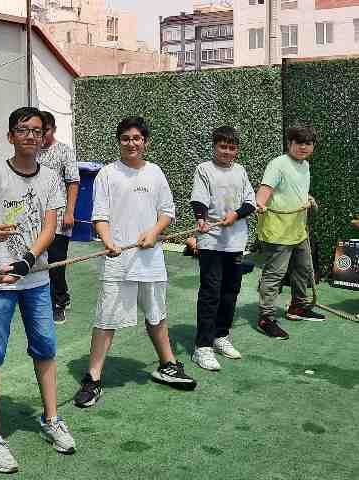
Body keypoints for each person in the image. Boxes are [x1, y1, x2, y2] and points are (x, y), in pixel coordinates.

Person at [0, 107, 75, 473]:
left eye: (37, 130)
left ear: (45, 137)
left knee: (45, 349)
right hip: (0, 283)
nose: (30, 136)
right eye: (23, 130)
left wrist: (27, 262)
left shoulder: (50, 178)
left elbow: (49, 228)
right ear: (10, 135)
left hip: (36, 281)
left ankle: (51, 418)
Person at [73, 116, 196, 409]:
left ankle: (168, 364)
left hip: (150, 260)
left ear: (145, 142)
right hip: (117, 261)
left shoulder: (155, 173)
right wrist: (108, 241)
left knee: (157, 314)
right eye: (126, 138)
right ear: (119, 141)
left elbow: (167, 211)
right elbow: (99, 216)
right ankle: (93, 378)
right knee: (106, 320)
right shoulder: (107, 174)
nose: (132, 143)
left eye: (137, 138)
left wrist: (154, 232)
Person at [189, 126, 256, 371]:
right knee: (211, 292)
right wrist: (201, 219)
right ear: (214, 146)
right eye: (222, 146)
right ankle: (202, 346)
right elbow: (199, 199)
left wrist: (236, 215)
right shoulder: (204, 169)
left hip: (235, 242)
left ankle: (221, 336)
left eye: (232, 147)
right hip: (211, 240)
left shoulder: (241, 171)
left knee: (230, 291)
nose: (227, 151)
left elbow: (250, 202)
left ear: (237, 150)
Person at [256, 123, 324, 340]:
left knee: (304, 270)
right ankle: (265, 318)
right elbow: (264, 191)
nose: (304, 147)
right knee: (274, 274)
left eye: (308, 143)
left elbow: (295, 189)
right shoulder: (278, 164)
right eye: (299, 142)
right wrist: (260, 204)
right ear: (289, 143)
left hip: (298, 230)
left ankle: (297, 307)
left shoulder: (305, 165)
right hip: (277, 231)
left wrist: (308, 198)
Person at [36, 111, 80, 324]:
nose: (41, 135)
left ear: (53, 129)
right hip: (36, 218)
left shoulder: (64, 151)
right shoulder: (32, 151)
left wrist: (70, 212)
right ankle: (42, 299)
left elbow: (73, 182)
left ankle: (60, 302)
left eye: (44, 130)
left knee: (56, 262)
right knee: (37, 259)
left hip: (60, 217)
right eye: (38, 130)